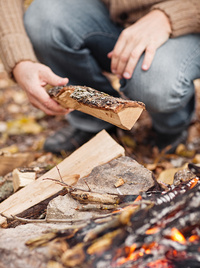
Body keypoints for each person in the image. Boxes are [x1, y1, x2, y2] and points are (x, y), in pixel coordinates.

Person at [0, 0, 200, 154]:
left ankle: (172, 128)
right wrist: (19, 61)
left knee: (155, 81)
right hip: (111, 15)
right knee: (43, 19)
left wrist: (170, 15)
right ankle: (95, 121)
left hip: (187, 23)